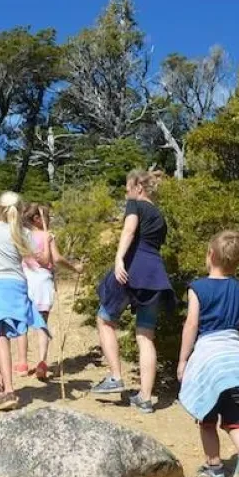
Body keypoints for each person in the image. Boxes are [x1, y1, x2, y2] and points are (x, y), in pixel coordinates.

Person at [177, 231, 239, 477]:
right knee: (237, 416)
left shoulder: (198, 287)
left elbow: (191, 324)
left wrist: (183, 359)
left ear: (211, 255)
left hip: (209, 359)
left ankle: (214, 469)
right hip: (236, 359)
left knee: (208, 417)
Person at [90, 169, 173, 414]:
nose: (127, 194)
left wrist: (118, 259)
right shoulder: (160, 216)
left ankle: (115, 376)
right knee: (145, 336)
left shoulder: (135, 205)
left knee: (104, 319)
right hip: (156, 276)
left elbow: (129, 231)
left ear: (138, 187)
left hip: (132, 271)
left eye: (128, 189)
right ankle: (145, 398)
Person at [0, 192, 50, 411]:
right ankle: (1, 381)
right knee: (11, 332)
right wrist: (46, 237)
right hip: (18, 285)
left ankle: (8, 390)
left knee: (0, 336)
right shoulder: (24, 233)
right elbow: (43, 260)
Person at [13, 204, 83, 381]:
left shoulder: (22, 237)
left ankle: (22, 363)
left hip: (25, 280)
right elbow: (57, 258)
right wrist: (74, 268)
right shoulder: (47, 236)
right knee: (41, 322)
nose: (50, 220)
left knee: (22, 322)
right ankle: (42, 362)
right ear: (37, 219)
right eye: (48, 217)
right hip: (42, 282)